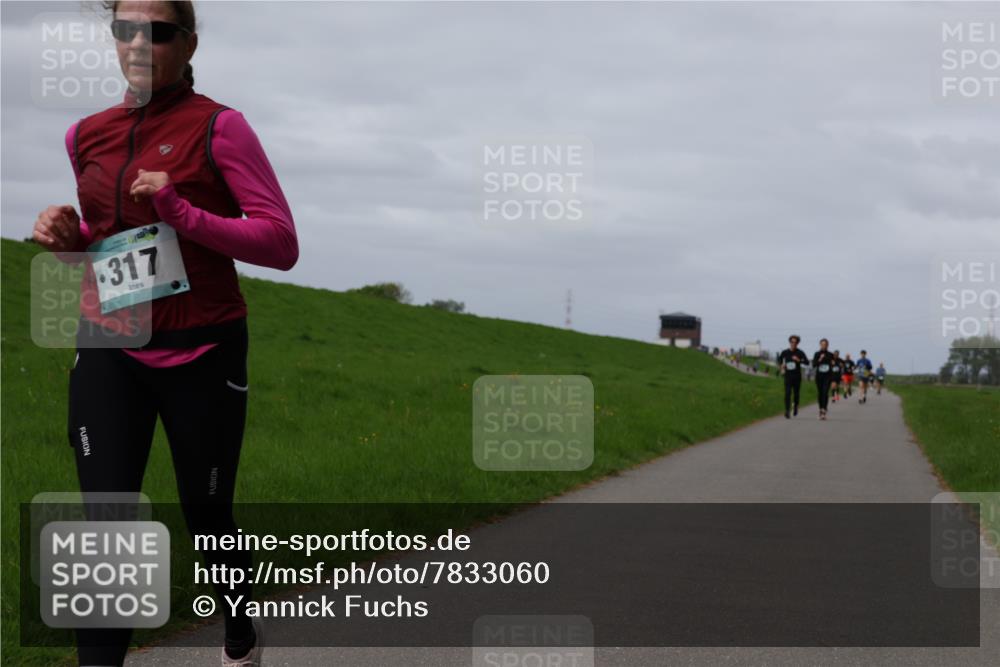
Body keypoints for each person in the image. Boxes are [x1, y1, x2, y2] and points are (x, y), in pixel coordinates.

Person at [32, 2, 298, 665]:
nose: (140, 43)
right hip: (109, 344)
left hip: (202, 349)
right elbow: (109, 240)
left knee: (205, 515)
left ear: (189, 43)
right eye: (126, 29)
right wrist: (71, 241)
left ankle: (240, 626)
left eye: (159, 30)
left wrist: (181, 207)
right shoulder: (84, 135)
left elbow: (280, 241)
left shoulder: (220, 127)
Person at [777, 334, 810, 418]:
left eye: (795, 342)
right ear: (789, 342)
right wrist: (781, 365)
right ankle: (787, 410)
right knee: (787, 393)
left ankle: (795, 406)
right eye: (792, 342)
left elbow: (807, 362)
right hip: (788, 376)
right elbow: (779, 360)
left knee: (796, 394)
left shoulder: (800, 352)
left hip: (797, 376)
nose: (793, 344)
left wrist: (799, 360)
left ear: (797, 343)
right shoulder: (785, 352)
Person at [812, 338, 835, 420]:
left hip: (827, 376)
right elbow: (814, 365)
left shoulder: (830, 354)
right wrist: (820, 359)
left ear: (827, 345)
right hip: (819, 377)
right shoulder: (817, 354)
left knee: (825, 393)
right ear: (820, 345)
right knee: (820, 393)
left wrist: (833, 380)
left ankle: (824, 410)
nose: (824, 346)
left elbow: (833, 367)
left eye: (825, 344)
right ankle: (820, 408)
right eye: (822, 344)